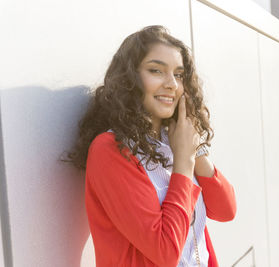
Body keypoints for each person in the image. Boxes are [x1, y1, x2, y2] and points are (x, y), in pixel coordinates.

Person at [66, 25, 236, 267]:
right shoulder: (111, 149)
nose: (172, 84)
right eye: (156, 70)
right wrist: (184, 162)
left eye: (178, 74)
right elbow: (165, 250)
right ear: (130, 80)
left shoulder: (174, 140)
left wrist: (195, 149)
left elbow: (225, 210)